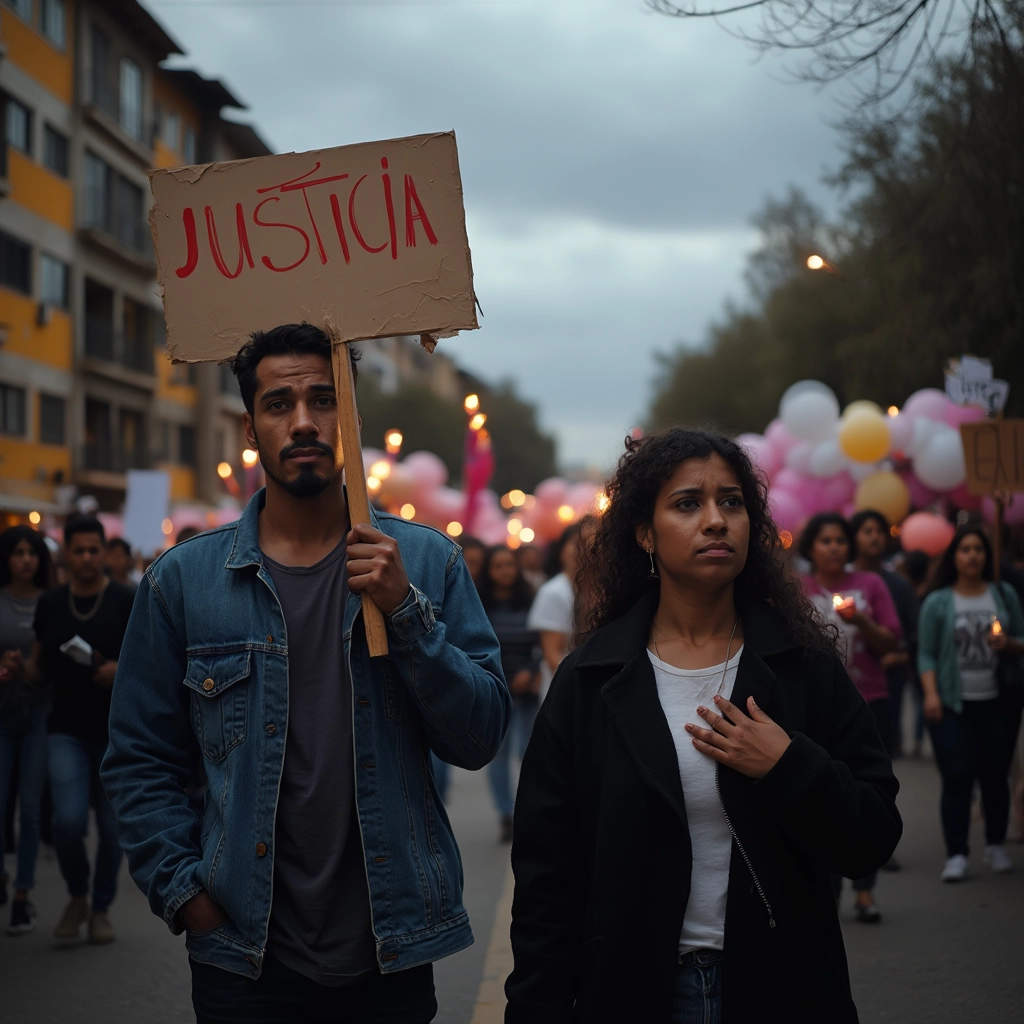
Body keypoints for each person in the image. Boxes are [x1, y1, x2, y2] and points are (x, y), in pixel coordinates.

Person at [101, 324, 508, 1024]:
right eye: (280, 403)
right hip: (243, 957)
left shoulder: (426, 563)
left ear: (349, 418)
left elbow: (478, 737)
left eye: (324, 400)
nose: (304, 422)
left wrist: (404, 613)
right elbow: (139, 759)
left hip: (392, 949)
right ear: (251, 427)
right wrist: (182, 891)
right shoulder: (182, 584)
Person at [505, 428, 900, 1024]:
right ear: (645, 533)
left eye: (732, 502)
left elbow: (873, 833)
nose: (715, 520)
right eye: (687, 503)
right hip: (635, 992)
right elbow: (547, 881)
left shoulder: (802, 666)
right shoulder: (592, 679)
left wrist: (788, 766)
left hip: (780, 989)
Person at [2, 516, 135, 944]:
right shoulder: (52, 603)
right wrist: (24, 669)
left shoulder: (125, 599)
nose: (86, 558)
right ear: (66, 554)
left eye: (93, 550)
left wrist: (119, 670)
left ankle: (100, 909)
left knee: (114, 831)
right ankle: (77, 894)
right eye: (77, 551)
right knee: (68, 822)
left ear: (104, 552)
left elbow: (150, 661)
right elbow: (40, 671)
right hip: (64, 729)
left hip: (118, 734)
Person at [799, 512, 900, 922]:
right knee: (822, 794)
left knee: (864, 793)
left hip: (868, 700)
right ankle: (828, 887)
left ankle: (865, 890)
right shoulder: (798, 590)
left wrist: (861, 620)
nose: (834, 547)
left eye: (841, 540)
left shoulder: (870, 585)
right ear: (811, 548)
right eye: (825, 541)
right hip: (816, 707)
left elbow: (889, 639)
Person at [917, 525, 1024, 883]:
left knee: (995, 776)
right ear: (955, 557)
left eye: (979, 549)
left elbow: (1022, 640)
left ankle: (994, 844)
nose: (973, 555)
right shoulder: (939, 601)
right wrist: (931, 694)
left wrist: (1009, 644)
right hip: (952, 705)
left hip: (998, 702)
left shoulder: (1003, 594)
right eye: (965, 549)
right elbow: (927, 653)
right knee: (957, 776)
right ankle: (957, 853)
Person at [0, 527, 52, 934]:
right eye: (18, 552)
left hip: (38, 712)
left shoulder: (50, 603)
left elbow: (52, 661)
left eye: (31, 552)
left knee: (30, 809)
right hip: (2, 713)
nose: (25, 559)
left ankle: (22, 895)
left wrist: (28, 668)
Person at [477, 545, 540, 842]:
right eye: (498, 565)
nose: (505, 570)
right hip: (495, 691)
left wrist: (531, 669)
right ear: (489, 572)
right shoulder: (479, 605)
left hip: (527, 690)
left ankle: (529, 812)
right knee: (499, 755)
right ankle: (506, 813)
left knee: (529, 754)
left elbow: (544, 641)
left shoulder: (530, 601)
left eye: (509, 565)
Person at [850, 510, 920, 759]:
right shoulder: (842, 580)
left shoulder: (898, 585)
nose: (875, 537)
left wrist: (900, 656)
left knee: (881, 748)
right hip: (849, 674)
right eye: (868, 531)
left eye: (879, 532)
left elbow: (913, 632)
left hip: (888, 677)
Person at [526, 524, 580, 702]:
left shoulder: (601, 590)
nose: (584, 549)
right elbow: (552, 657)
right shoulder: (554, 592)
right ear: (562, 551)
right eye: (576, 543)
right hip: (566, 693)